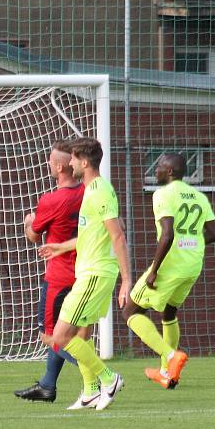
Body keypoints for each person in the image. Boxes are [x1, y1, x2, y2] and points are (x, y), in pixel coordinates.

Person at [41, 137, 131, 411]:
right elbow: (92, 235)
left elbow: (117, 235)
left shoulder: (101, 191)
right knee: (79, 336)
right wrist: (61, 246)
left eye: (73, 159)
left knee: (60, 336)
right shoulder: (91, 190)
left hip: (95, 274)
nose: (69, 163)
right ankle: (91, 390)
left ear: (84, 162)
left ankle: (109, 379)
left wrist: (127, 280)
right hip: (87, 273)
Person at [120, 153, 215, 389]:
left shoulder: (163, 194)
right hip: (193, 264)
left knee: (130, 311)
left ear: (171, 172)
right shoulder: (198, 196)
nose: (156, 170)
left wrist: (154, 270)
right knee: (169, 313)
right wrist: (192, 244)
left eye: (160, 166)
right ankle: (168, 373)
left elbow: (168, 234)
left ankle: (171, 355)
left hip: (171, 265)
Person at [14, 140, 84, 403]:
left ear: (59, 166)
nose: (48, 164)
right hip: (82, 274)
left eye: (50, 161)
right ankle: (47, 386)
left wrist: (29, 222)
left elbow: (34, 236)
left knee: (51, 336)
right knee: (66, 334)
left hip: (58, 277)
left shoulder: (52, 199)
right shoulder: (87, 192)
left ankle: (102, 376)